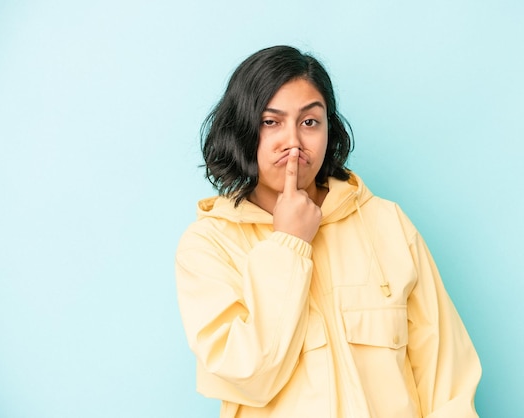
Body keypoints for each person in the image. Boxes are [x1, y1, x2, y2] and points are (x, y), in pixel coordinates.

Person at [175, 45, 482, 418]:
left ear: (328, 130)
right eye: (271, 122)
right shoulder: (208, 246)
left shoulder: (387, 223)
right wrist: (288, 243)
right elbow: (247, 374)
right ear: (242, 130)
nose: (293, 142)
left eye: (309, 122)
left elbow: (447, 378)